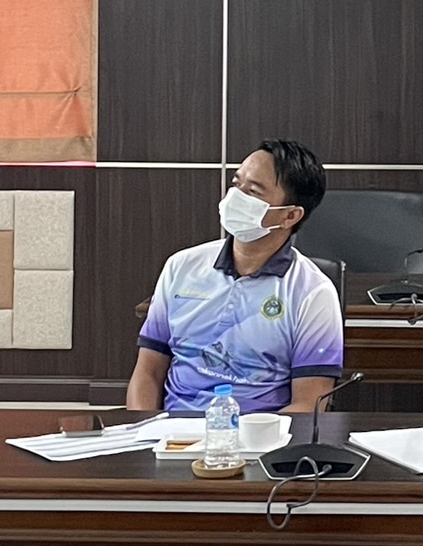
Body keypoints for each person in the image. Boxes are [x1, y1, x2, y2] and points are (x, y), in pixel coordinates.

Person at [127, 139, 342, 413]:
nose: (236, 197)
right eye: (236, 183)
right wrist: (144, 427)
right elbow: (148, 372)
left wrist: (239, 436)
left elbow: (309, 404)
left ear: (289, 216)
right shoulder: (181, 266)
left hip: (260, 434)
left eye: (253, 192)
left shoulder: (313, 292)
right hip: (173, 429)